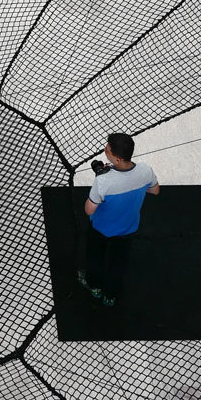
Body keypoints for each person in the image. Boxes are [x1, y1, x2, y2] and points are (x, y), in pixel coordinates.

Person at [78, 132, 159, 308]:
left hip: (101, 229)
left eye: (107, 149)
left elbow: (88, 209)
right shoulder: (146, 170)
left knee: (95, 258)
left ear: (117, 158)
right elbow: (155, 191)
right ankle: (111, 296)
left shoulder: (103, 181)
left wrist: (102, 179)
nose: (104, 149)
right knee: (118, 263)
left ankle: (94, 287)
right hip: (128, 229)